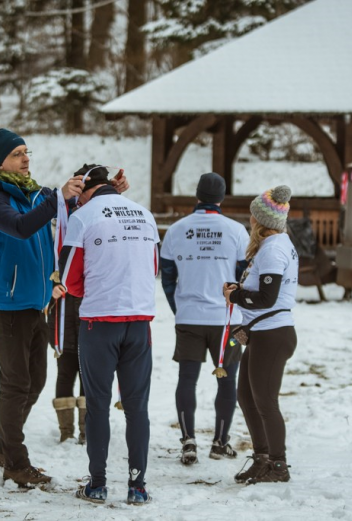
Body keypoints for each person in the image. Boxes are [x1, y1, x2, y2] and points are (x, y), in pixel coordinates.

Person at [0, 128, 87, 488]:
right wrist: (55, 199)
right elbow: (22, 228)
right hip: (8, 305)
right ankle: (16, 463)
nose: (26, 158)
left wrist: (103, 189)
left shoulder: (34, 194)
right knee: (15, 383)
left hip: (39, 304)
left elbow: (58, 220)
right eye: (17, 154)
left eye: (27, 152)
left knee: (35, 381)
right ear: (0, 161)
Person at [57, 164, 159, 505]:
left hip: (99, 321)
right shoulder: (145, 214)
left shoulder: (83, 217)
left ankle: (97, 483)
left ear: (84, 188)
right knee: (137, 407)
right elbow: (153, 267)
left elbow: (70, 279)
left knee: (98, 405)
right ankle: (138, 486)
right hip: (140, 319)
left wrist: (98, 286)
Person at [159, 173, 249, 465]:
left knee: (187, 379)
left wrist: (180, 307)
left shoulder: (176, 230)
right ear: (221, 198)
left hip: (189, 316)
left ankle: (188, 440)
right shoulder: (236, 231)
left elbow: (168, 278)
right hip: (227, 318)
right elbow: (244, 277)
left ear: (196, 195)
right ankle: (220, 442)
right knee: (228, 380)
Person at [223, 185, 298, 485]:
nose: (249, 220)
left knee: (265, 401)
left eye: (253, 216)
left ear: (260, 221)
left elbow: (267, 297)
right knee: (247, 397)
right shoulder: (272, 246)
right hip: (261, 332)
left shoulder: (275, 248)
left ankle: (278, 466)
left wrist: (236, 296)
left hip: (273, 333)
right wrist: (238, 292)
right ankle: (262, 458)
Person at [47, 276, 86, 444]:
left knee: (89, 381)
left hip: (89, 334)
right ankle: (66, 431)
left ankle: (88, 430)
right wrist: (51, 291)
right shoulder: (57, 259)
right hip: (63, 334)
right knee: (64, 377)